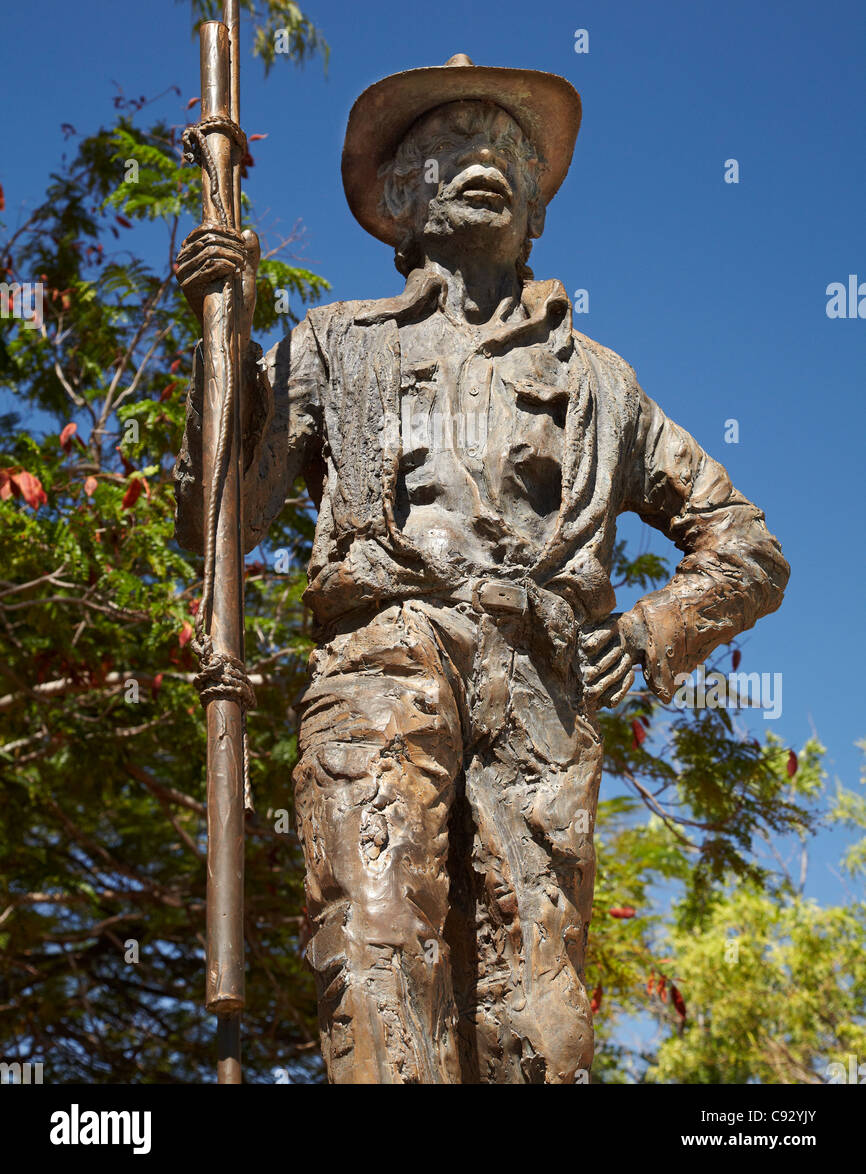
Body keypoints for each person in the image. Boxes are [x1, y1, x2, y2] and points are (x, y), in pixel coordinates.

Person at [174, 54, 789, 1083]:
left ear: (538, 208)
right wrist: (220, 350)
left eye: (509, 148)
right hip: (379, 661)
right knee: (373, 952)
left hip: (540, 691)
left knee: (540, 1014)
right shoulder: (332, 345)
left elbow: (748, 548)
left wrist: (647, 632)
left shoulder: (601, 382)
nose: (486, 161)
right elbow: (217, 525)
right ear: (400, 197)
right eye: (451, 145)